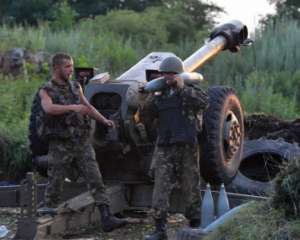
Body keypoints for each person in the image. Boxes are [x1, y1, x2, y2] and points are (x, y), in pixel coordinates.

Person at [32, 53, 127, 232]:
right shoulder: (46, 89)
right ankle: (44, 220)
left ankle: (107, 217)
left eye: (71, 66)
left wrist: (103, 120)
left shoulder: (76, 87)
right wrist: (72, 108)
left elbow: (87, 107)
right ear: (56, 68)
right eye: (67, 66)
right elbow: (49, 108)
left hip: (81, 142)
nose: (70, 70)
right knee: (55, 183)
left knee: (95, 179)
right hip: (61, 144)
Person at [139, 56, 209, 240]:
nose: (168, 77)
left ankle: (194, 225)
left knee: (191, 185)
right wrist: (149, 95)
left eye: (172, 73)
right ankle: (160, 229)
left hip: (187, 146)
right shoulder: (159, 97)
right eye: (165, 74)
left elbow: (204, 102)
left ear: (179, 75)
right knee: (160, 188)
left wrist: (182, 89)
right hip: (165, 148)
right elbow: (145, 116)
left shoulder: (190, 92)